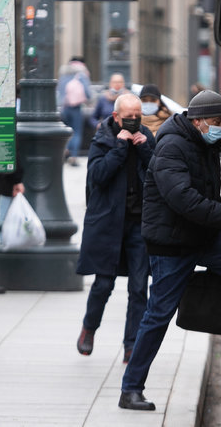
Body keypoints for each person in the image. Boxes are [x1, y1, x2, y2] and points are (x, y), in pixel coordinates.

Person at [119, 90, 221, 410]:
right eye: (216, 122)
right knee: (158, 314)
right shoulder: (173, 145)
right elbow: (183, 199)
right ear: (198, 121)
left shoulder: (205, 143)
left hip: (200, 236)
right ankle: (130, 389)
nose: (220, 127)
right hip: (172, 243)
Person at [76, 93, 156, 364]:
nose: (133, 122)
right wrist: (120, 148)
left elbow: (159, 173)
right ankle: (89, 328)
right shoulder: (103, 139)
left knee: (138, 288)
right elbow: (97, 177)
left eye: (137, 117)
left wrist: (145, 149)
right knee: (103, 284)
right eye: (128, 117)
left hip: (138, 225)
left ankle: (131, 346)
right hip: (109, 225)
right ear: (116, 117)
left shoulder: (146, 137)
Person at [57, 56, 92, 166]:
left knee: (66, 132)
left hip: (64, 108)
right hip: (76, 108)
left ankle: (66, 149)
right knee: (76, 132)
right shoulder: (82, 75)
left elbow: (59, 93)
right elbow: (88, 93)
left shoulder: (63, 75)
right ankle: (73, 156)